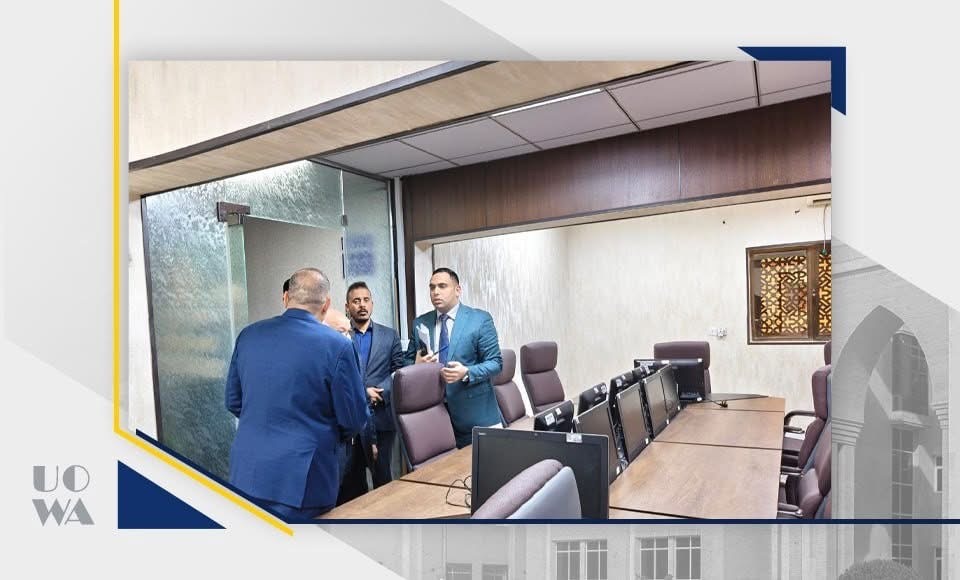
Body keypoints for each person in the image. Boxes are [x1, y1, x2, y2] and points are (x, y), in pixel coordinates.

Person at [226, 268, 368, 521]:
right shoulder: (338, 346)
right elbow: (354, 419)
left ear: (286, 298)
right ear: (326, 304)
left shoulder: (248, 336)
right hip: (302, 482)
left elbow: (233, 401)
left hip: (246, 474)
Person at [404, 267, 503, 448]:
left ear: (458, 290)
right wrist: (415, 364)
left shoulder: (479, 319)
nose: (436, 292)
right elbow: (405, 364)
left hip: (474, 416)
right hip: (433, 417)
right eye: (432, 287)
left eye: (442, 286)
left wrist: (466, 372)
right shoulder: (420, 323)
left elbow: (496, 363)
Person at [342, 281, 403, 491]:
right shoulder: (340, 335)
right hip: (353, 421)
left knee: (383, 478)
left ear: (372, 303)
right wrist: (363, 392)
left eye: (366, 300)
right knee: (352, 481)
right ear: (347, 306)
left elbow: (398, 371)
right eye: (356, 301)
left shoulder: (390, 335)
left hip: (382, 416)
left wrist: (381, 391)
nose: (362, 305)